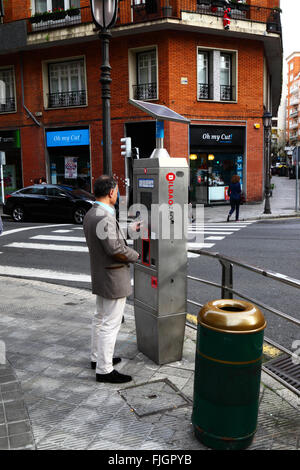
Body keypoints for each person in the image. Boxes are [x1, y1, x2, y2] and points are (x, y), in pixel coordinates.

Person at [83, 175, 139, 384]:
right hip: (113, 276)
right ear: (111, 192)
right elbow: (115, 248)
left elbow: (107, 236)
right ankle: (104, 370)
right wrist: (136, 256)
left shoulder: (92, 213)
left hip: (101, 273)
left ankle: (97, 358)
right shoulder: (104, 216)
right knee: (110, 323)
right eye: (116, 190)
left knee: (99, 318)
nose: (117, 194)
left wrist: (129, 230)